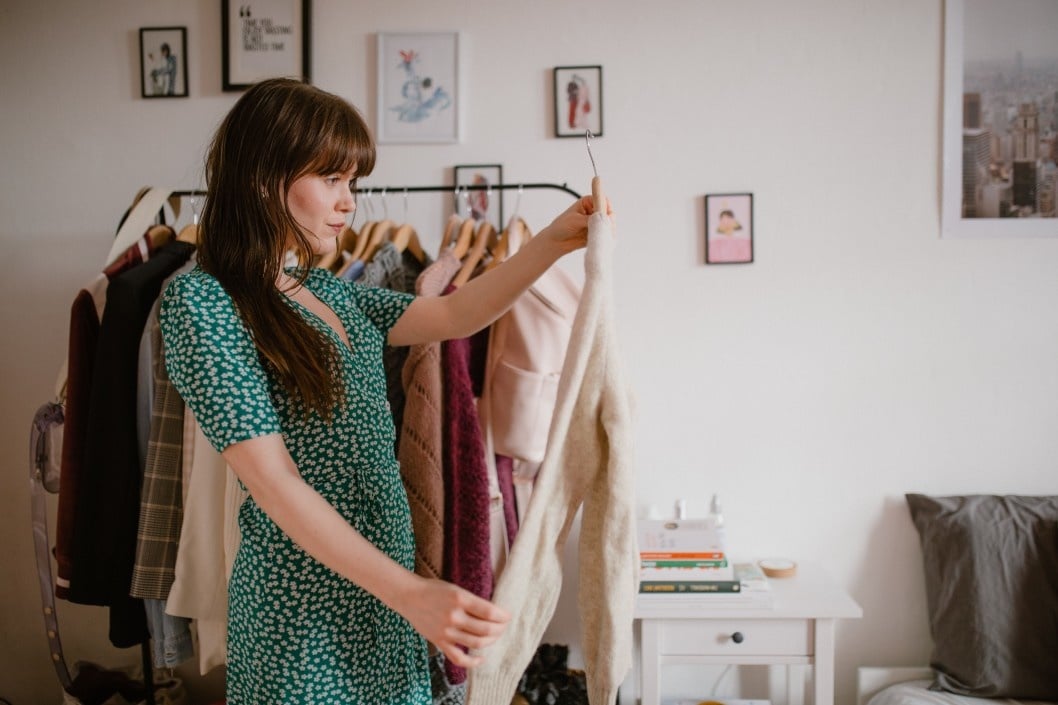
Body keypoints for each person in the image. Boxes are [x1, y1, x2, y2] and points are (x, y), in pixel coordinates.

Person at [159, 77, 609, 704]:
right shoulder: (203, 299)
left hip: (383, 590)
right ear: (264, 178)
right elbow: (273, 481)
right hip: (301, 612)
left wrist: (554, 241)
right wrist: (412, 592)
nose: (348, 204)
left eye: (354, 185)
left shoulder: (332, 293)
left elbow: (454, 316)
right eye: (331, 180)